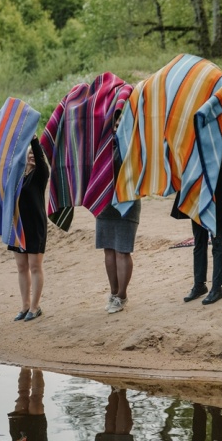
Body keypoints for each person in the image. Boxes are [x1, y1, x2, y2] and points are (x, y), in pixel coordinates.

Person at [172, 112, 222, 306]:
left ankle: (218, 287)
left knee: (218, 239)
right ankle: (199, 284)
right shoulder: (191, 128)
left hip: (217, 182)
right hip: (196, 181)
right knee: (199, 238)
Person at [96, 117, 142, 314]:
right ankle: (113, 293)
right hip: (105, 203)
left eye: (119, 126)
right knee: (108, 250)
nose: (116, 130)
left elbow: (125, 164)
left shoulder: (134, 146)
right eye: (113, 126)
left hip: (127, 202)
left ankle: (122, 295)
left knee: (122, 250)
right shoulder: (101, 147)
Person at [9, 135, 49, 322]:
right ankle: (25, 306)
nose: (32, 156)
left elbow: (40, 159)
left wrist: (33, 141)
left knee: (35, 266)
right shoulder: (17, 175)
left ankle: (35, 307)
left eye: (34, 154)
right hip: (18, 226)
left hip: (35, 225)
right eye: (29, 154)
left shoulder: (41, 174)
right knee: (21, 266)